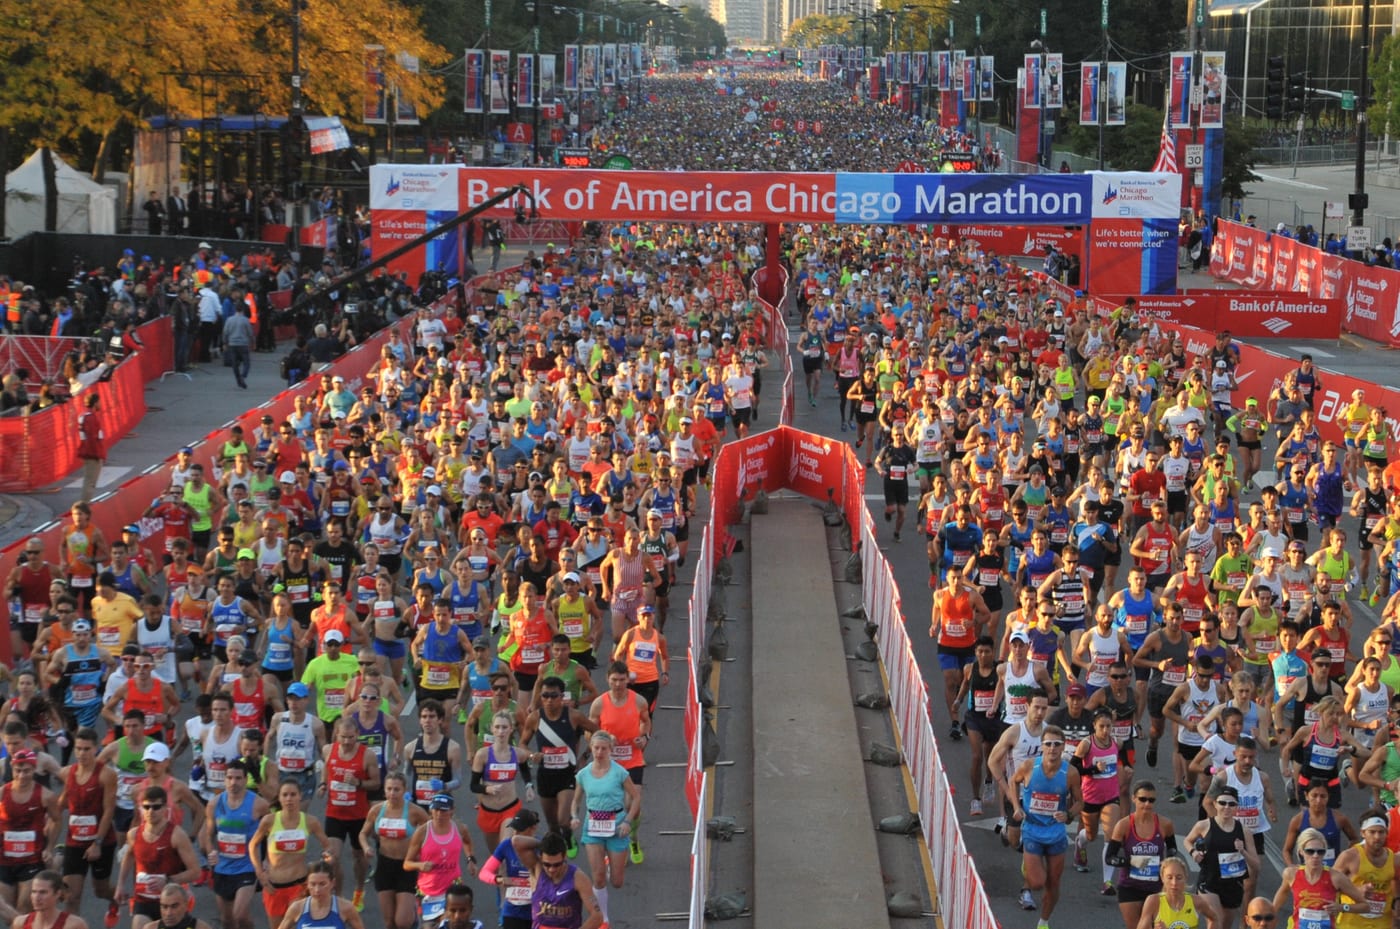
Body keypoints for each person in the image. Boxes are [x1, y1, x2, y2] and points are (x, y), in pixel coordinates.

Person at [1009, 724, 1082, 929]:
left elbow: (1080, 802)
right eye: (1048, 744)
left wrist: (1068, 814)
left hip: (1056, 833)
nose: (1052, 748)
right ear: (1042, 746)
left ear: (1063, 747)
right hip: (1032, 830)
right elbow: (1013, 782)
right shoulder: (1029, 767)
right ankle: (1028, 868)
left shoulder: (1071, 773)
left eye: (1057, 744)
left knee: (1053, 883)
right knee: (1038, 882)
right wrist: (1016, 806)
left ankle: (1043, 921)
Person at [570, 730, 641, 928]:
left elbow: (636, 797)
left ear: (610, 750)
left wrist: (627, 821)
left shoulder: (619, 772)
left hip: (617, 827)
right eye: (596, 748)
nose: (599, 752)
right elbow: (575, 802)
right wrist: (575, 817)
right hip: (592, 828)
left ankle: (611, 862)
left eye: (603, 748)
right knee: (598, 878)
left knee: (617, 882)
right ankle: (604, 920)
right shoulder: (583, 774)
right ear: (591, 749)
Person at [521, 675, 597, 852]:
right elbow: (522, 744)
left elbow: (598, 733)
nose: (548, 700)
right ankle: (558, 854)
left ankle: (568, 835)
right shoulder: (534, 718)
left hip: (567, 775)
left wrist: (585, 756)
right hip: (545, 775)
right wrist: (532, 755)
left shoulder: (574, 716)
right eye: (544, 696)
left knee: (563, 820)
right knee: (552, 824)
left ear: (562, 697)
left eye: (553, 696)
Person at [116, 786, 201, 929]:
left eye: (156, 807)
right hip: (143, 900)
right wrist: (120, 885)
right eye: (146, 807)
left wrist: (168, 880)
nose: (150, 811)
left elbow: (195, 872)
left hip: (172, 902)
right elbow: (130, 855)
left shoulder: (177, 835)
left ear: (165, 808)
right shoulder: (133, 834)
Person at [249, 778, 331, 927]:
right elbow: (252, 845)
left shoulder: (310, 821)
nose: (289, 799)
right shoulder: (269, 821)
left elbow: (327, 846)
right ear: (279, 798)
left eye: (293, 794)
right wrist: (259, 872)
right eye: (285, 795)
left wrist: (324, 863)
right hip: (274, 887)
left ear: (300, 796)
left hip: (299, 885)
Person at [200, 757, 270, 929]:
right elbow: (208, 836)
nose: (233, 782)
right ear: (224, 779)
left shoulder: (259, 804)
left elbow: (270, 832)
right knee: (227, 920)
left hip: (247, 867)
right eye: (230, 778)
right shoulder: (214, 804)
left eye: (238, 778)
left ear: (246, 780)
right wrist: (211, 852)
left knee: (239, 915)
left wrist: (267, 859)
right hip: (222, 867)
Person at [320, 716, 381, 906]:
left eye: (350, 737)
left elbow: (376, 783)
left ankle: (359, 890)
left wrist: (359, 783)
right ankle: (337, 897)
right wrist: (323, 784)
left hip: (358, 815)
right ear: (336, 735)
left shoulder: (367, 755)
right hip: (335, 814)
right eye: (343, 737)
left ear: (357, 735)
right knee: (332, 858)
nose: (346, 742)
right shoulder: (328, 750)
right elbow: (327, 769)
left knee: (359, 858)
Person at [57, 728, 118, 916]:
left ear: (96, 749)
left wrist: (97, 843)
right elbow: (63, 802)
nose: (82, 753)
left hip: (101, 841)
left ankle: (116, 899)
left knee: (100, 890)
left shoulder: (106, 775)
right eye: (78, 749)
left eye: (86, 749)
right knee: (72, 897)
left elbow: (109, 810)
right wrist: (48, 818)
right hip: (74, 841)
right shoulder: (68, 773)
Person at [1185, 784, 1260, 929]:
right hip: (1209, 881)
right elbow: (1187, 840)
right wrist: (1193, 853)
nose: (1227, 807)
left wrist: (1243, 851)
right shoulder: (1204, 825)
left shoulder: (1244, 831)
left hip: (1233, 884)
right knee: (1215, 921)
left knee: (1225, 925)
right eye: (1222, 803)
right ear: (1215, 804)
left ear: (1237, 807)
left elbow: (1256, 866)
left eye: (1231, 804)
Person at [359, 772, 428, 929]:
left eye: (397, 789)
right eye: (389, 789)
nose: (392, 793)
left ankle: (413, 919)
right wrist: (366, 847)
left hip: (406, 867)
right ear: (384, 790)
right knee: (389, 922)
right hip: (384, 865)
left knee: (402, 922)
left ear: (404, 790)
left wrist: (421, 851)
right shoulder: (376, 810)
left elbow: (432, 831)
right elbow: (363, 833)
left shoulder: (414, 811)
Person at [1107, 779, 1178, 929]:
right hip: (1129, 887)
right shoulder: (1124, 825)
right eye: (1142, 799)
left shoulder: (1165, 824)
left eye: (1151, 800)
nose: (1147, 804)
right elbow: (1110, 858)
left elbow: (1172, 850)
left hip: (1156, 887)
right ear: (1133, 798)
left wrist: (1167, 866)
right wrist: (1131, 862)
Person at [0, 749, 61, 913]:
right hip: (4, 860)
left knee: (24, 908)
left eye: (26, 771)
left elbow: (57, 820)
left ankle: (57, 860)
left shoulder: (46, 796)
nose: (21, 776)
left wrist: (49, 848)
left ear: (34, 770)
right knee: (8, 911)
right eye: (17, 771)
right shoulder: (2, 793)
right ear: (12, 770)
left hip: (31, 860)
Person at [403, 793, 477, 927]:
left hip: (452, 889)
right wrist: (420, 865)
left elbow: (467, 842)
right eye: (436, 809)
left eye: (443, 810)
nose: (438, 814)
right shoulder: (422, 832)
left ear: (452, 810)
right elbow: (407, 864)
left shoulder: (460, 828)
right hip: (428, 892)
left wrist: (470, 859)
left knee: (451, 924)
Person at [1331, 810, 1400, 929]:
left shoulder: (1394, 859)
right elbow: (1329, 885)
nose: (1377, 837)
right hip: (1351, 921)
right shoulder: (1349, 857)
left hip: (1382, 921)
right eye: (1372, 832)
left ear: (1386, 833)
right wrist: (1356, 890)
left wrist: (1397, 900)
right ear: (1363, 833)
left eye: (1381, 832)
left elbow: (1396, 880)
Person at [1271, 826, 1339, 929]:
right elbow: (1283, 892)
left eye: (1320, 851)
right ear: (1301, 852)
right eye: (1310, 851)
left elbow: (1363, 905)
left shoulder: (1335, 877)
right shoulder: (1291, 874)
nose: (1315, 855)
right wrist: (1270, 914)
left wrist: (1343, 907)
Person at [1134, 855, 1224, 929]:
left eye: (1179, 877)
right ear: (1162, 878)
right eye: (1169, 877)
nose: (1174, 883)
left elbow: (1214, 919)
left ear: (1185, 877)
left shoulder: (1196, 901)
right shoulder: (1153, 901)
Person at [273, 862, 368, 929]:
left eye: (322, 884)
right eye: (313, 884)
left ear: (332, 883)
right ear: (307, 885)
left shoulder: (345, 907)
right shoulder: (297, 908)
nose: (317, 890)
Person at [11, 870, 90, 929]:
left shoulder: (74, 925)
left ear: (57, 894)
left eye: (43, 892)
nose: (37, 897)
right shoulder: (20, 923)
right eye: (34, 892)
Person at [77, 394, 104, 504]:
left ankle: (86, 503)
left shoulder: (85, 415)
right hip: (92, 454)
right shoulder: (91, 418)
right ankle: (84, 505)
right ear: (95, 403)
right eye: (99, 401)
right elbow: (92, 438)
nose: (101, 404)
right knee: (90, 482)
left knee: (90, 481)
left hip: (88, 452)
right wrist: (97, 454)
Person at [222, 305, 255, 390]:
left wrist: (225, 343)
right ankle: (243, 376)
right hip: (243, 344)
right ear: (243, 310)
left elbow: (225, 332)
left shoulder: (229, 320)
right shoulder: (246, 320)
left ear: (235, 309)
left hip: (232, 344)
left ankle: (238, 379)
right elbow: (250, 333)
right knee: (246, 363)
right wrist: (253, 342)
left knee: (235, 364)